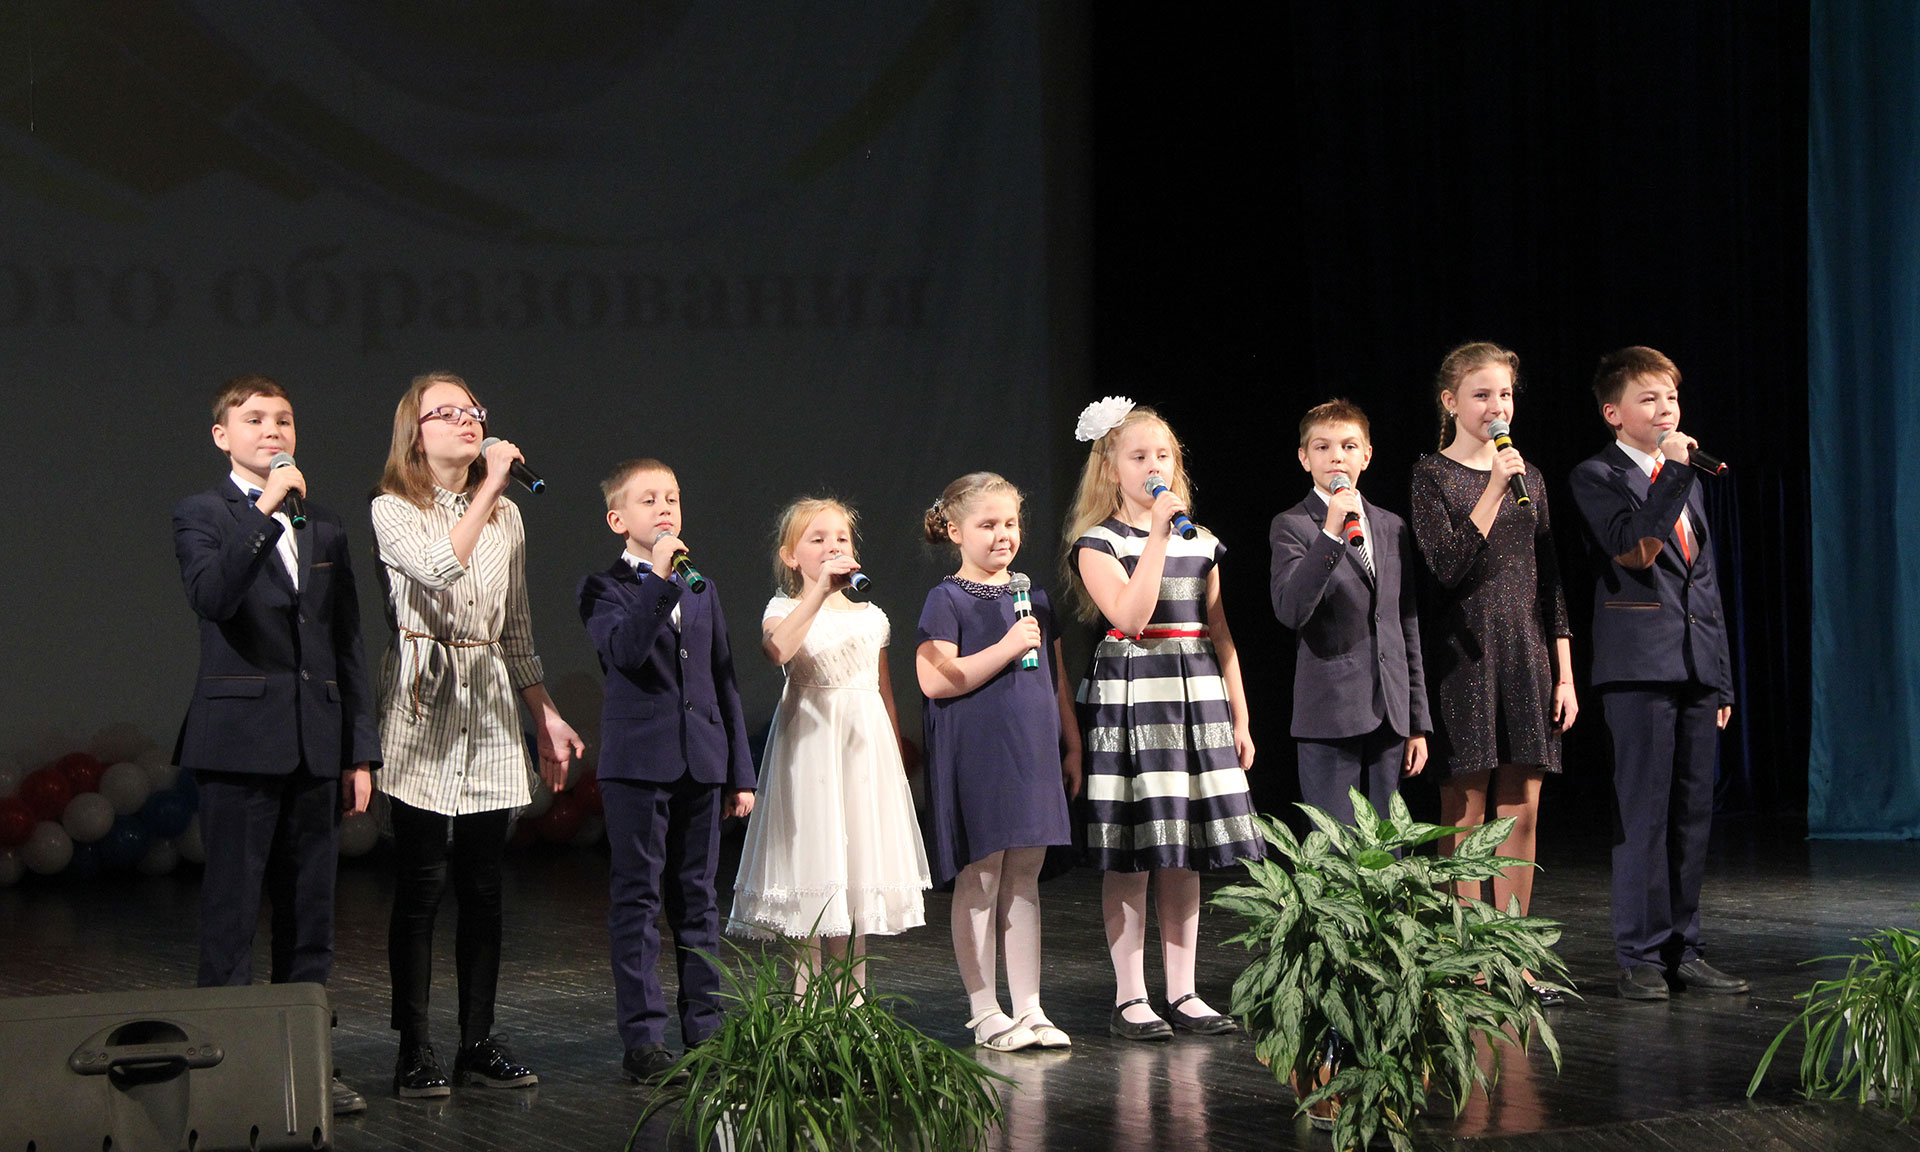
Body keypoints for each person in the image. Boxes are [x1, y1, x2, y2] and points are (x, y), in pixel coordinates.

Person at [371, 372, 585, 1096]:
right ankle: (414, 1048)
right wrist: (492, 483)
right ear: (416, 432)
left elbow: (515, 626)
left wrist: (544, 712)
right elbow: (438, 569)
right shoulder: (391, 508)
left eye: (475, 412)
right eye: (449, 413)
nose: (469, 421)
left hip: (489, 699)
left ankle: (477, 1041)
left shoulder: (508, 518)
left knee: (485, 886)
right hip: (425, 702)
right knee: (421, 885)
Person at [171, 373, 377, 1116]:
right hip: (238, 743)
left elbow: (345, 640)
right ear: (222, 435)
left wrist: (358, 750)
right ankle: (223, 1069)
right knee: (232, 914)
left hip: (315, 743)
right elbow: (213, 596)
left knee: (310, 916)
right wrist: (263, 511)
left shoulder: (324, 524)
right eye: (255, 418)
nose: (273, 431)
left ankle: (308, 1065)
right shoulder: (203, 513)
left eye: (283, 419)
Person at [1064, 397, 1258, 1041]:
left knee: (1183, 850)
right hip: (1133, 697)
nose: (1154, 467)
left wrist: (1240, 716)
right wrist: (1154, 535)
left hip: (1196, 692)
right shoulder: (1098, 544)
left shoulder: (1201, 541)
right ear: (1110, 469)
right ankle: (1131, 995)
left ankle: (1184, 990)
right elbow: (1132, 616)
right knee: (1134, 851)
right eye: (1138, 456)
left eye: (1164, 456)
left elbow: (1221, 633)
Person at [1568, 346, 1744, 1001]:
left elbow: (1705, 585)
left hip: (1695, 668)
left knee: (1692, 815)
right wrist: (1670, 472)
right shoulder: (1597, 475)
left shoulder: (1684, 478)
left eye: (1670, 396)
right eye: (1648, 398)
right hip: (1639, 669)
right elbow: (1634, 549)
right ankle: (1638, 955)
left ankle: (1683, 949)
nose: (1665, 408)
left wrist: (1721, 678)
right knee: (1643, 815)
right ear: (1614, 413)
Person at [578, 459, 758, 1085]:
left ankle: (706, 1030)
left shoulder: (700, 587)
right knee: (638, 899)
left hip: (701, 762)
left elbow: (723, 678)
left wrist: (739, 771)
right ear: (617, 519)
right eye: (649, 499)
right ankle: (644, 1040)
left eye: (672, 498)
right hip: (637, 765)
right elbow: (627, 651)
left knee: (699, 900)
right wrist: (657, 576)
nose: (664, 509)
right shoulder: (602, 589)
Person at [1409, 343, 1577, 1007]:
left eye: (1504, 394)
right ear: (1451, 402)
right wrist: (1492, 490)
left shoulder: (1530, 474)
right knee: (1467, 813)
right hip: (1465, 656)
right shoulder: (1431, 476)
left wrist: (1565, 673)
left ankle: (1515, 960)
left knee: (1521, 812)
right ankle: (1468, 959)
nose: (1496, 406)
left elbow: (1550, 581)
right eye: (1482, 395)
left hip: (1526, 655)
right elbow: (1445, 566)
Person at [730, 497, 929, 991]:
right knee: (813, 869)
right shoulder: (784, 609)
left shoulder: (872, 616)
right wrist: (818, 592)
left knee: (855, 872)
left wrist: (895, 764)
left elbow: (883, 692)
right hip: (812, 751)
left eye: (841, 537)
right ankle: (804, 999)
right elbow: (778, 650)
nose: (832, 546)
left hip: (862, 753)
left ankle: (851, 1002)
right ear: (791, 555)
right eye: (817, 539)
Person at [915, 473, 1082, 1052]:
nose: (1003, 535)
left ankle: (1030, 1007)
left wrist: (1070, 742)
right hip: (978, 751)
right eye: (987, 525)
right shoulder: (947, 599)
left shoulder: (1033, 597)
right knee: (982, 876)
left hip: (1031, 750)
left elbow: (1055, 678)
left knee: (1025, 876)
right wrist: (1008, 647)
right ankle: (985, 1009)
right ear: (955, 531)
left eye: (1010, 523)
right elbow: (936, 680)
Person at [1270, 399, 1431, 824]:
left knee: (1387, 845)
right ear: (1304, 458)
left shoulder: (1391, 525)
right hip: (1330, 712)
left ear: (1367, 455)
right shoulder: (1292, 525)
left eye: (1348, 446)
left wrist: (1416, 720)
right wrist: (1330, 534)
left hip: (1390, 712)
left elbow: (1404, 623)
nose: (1336, 457)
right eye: (1322, 447)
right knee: (1336, 844)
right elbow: (1290, 609)